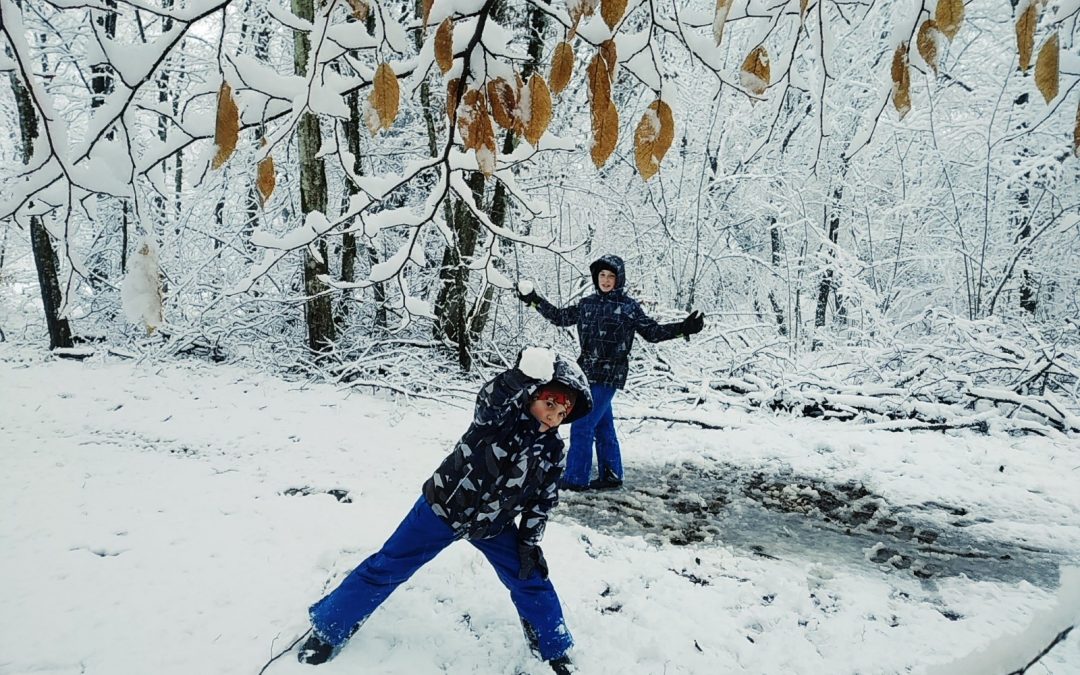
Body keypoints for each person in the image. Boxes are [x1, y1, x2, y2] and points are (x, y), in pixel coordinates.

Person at [296, 347, 592, 675]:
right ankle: (328, 629)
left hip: (492, 526)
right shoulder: (498, 419)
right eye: (549, 403)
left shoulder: (552, 453)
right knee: (387, 566)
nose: (552, 415)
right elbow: (489, 399)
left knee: (531, 578)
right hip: (442, 509)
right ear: (532, 396)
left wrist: (528, 543)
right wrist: (518, 377)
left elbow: (542, 502)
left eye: (561, 413)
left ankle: (552, 646)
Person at [518, 254, 704, 491]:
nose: (605, 280)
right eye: (602, 275)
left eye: (611, 276)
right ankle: (611, 473)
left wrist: (683, 329)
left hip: (609, 375)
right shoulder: (587, 305)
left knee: (583, 425)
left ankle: (576, 478)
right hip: (585, 374)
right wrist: (533, 300)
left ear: (619, 279)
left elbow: (652, 332)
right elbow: (559, 317)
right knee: (602, 424)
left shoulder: (628, 308)